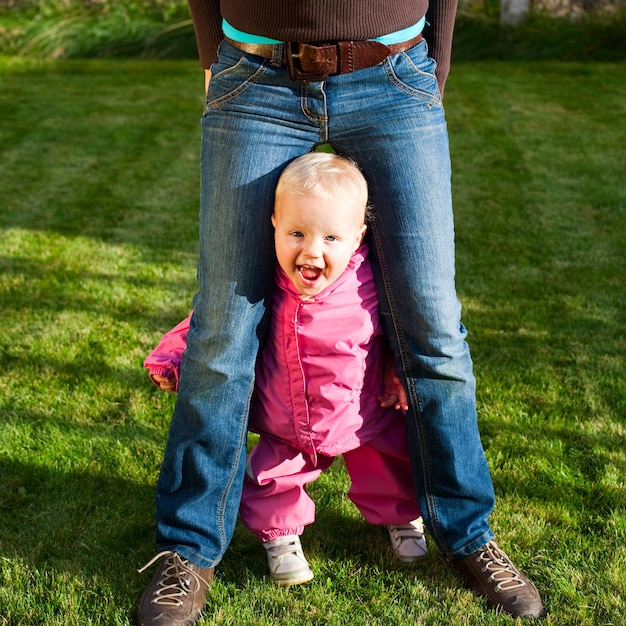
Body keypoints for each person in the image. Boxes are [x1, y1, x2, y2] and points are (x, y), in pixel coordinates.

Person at [136, 1, 545, 623]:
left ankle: (469, 535)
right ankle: (187, 550)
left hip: (393, 75)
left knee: (432, 325)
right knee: (222, 327)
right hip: (254, 77)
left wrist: (429, 68)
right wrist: (214, 56)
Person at [144, 151, 429, 588]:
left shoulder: (369, 282)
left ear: (358, 237)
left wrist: (397, 365)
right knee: (274, 476)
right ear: (274, 223)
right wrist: (173, 356)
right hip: (287, 416)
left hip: (362, 410)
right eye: (297, 232)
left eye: (331, 238)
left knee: (388, 463)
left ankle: (403, 519)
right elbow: (208, 322)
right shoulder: (261, 282)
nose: (311, 250)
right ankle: (281, 538)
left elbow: (397, 326)